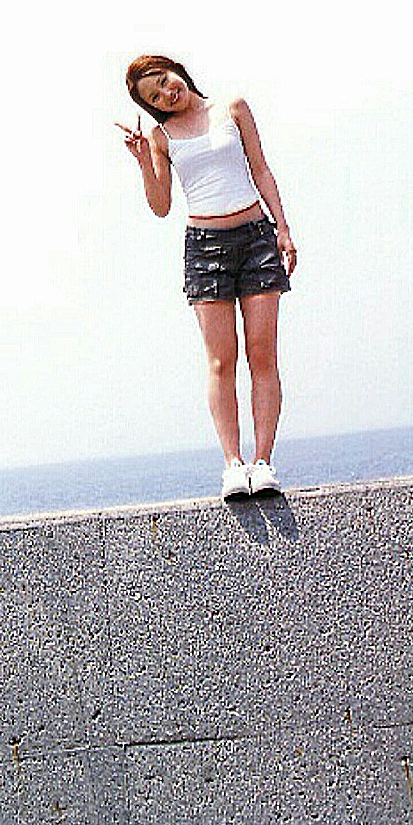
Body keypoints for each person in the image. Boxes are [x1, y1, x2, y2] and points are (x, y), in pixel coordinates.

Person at [116, 54, 297, 502]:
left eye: (164, 81)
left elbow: (260, 169)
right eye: (155, 96)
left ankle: (263, 462)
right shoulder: (161, 137)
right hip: (205, 247)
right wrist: (142, 161)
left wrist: (283, 229)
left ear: (176, 71)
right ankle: (233, 465)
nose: (166, 93)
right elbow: (161, 205)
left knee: (262, 354)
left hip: (256, 238)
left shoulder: (231, 107)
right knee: (220, 361)